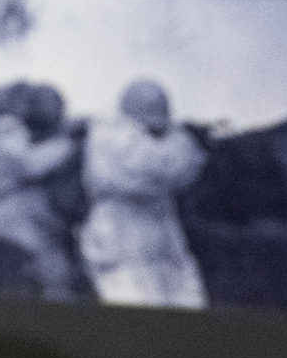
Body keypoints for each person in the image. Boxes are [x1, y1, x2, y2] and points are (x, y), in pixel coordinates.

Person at [77, 80, 209, 309]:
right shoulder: (106, 136)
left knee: (183, 307)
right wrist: (159, 179)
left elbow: (183, 168)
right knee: (131, 307)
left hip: (163, 238)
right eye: (147, 105)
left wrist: (159, 177)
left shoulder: (177, 140)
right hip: (118, 235)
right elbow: (129, 175)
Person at [0, 90, 86, 301]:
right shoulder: (8, 128)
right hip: (7, 219)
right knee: (50, 277)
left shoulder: (53, 136)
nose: (58, 113)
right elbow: (30, 165)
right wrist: (70, 144)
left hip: (40, 224)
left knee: (62, 278)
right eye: (50, 106)